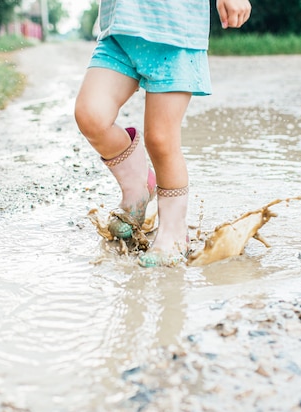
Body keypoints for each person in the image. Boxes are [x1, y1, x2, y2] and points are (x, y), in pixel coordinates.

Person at [74, 0, 251, 267]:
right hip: (119, 32)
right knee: (91, 116)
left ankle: (174, 231)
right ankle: (137, 188)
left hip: (175, 33)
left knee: (161, 138)